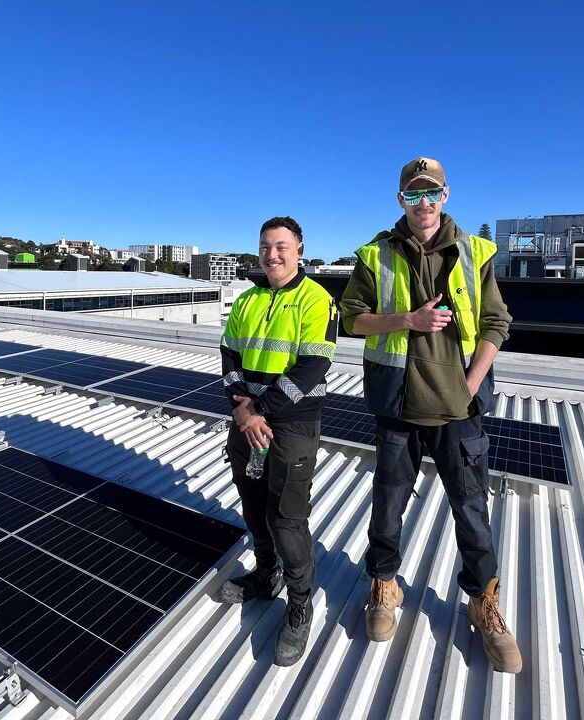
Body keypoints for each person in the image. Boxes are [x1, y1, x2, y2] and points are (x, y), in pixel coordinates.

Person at [339, 157, 522, 673]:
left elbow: (496, 321)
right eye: (412, 195)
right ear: (400, 200)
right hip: (398, 403)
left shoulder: (475, 252)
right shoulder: (376, 254)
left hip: (458, 408)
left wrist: (469, 383)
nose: (423, 203)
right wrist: (408, 319)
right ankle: (384, 585)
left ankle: (482, 602)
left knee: (471, 510)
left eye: (431, 193)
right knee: (388, 505)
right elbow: (351, 319)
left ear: (446, 196)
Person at [219, 216, 337, 667]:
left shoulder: (317, 300)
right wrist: (241, 407)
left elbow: (312, 367)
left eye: (282, 246)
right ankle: (266, 575)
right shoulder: (247, 299)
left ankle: (301, 601)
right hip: (247, 419)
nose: (273, 254)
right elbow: (229, 353)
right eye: (266, 246)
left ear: (300, 248)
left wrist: (259, 411)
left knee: (287, 517)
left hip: (291, 425)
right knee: (252, 503)